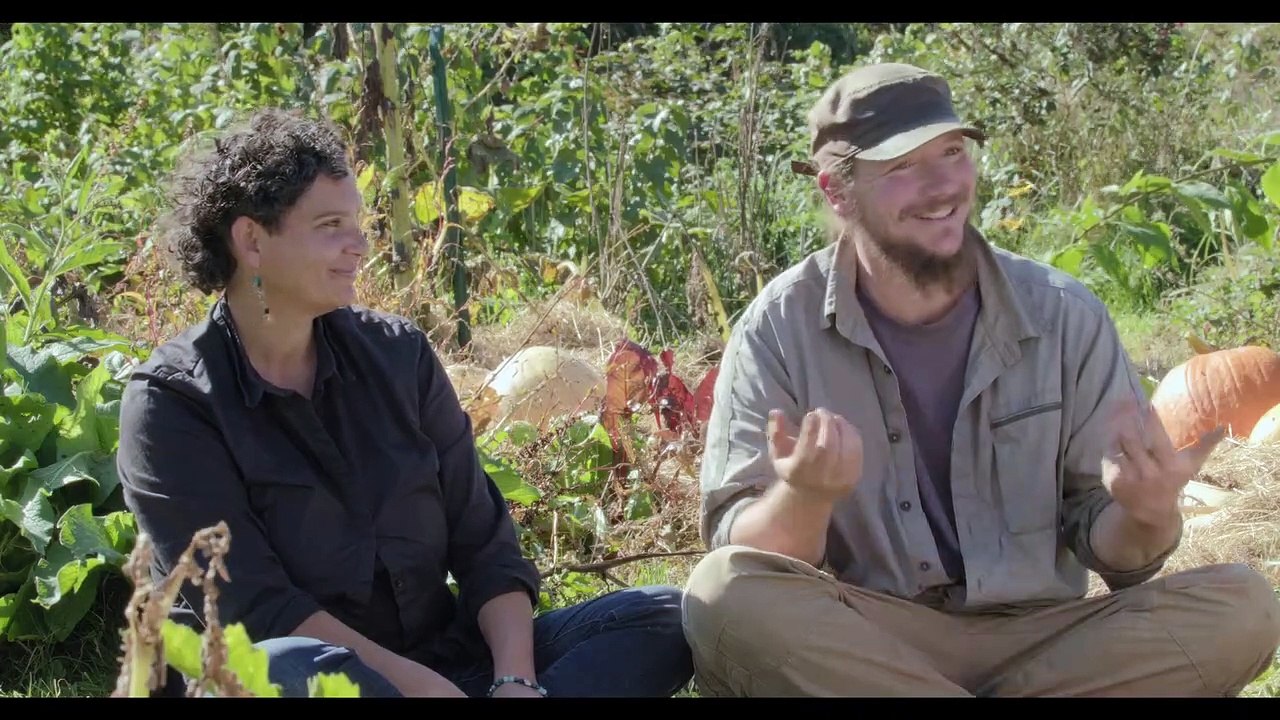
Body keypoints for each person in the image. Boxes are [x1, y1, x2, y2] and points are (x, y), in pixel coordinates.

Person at [682, 62, 1280, 697]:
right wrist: (806, 496)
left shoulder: (1063, 316)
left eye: (952, 152)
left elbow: (1120, 551)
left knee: (1244, 606)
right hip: (875, 637)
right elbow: (746, 548)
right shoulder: (777, 328)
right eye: (904, 166)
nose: (944, 186)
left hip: (1049, 638)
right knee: (722, 596)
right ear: (837, 191)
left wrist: (1148, 511)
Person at [116, 107, 694, 698]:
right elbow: (257, 610)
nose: (359, 245)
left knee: (664, 615)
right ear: (251, 241)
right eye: (331, 225)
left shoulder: (398, 356)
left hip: (448, 668)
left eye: (358, 223)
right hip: (295, 679)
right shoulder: (171, 405)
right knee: (289, 664)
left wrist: (515, 680)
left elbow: (484, 542)